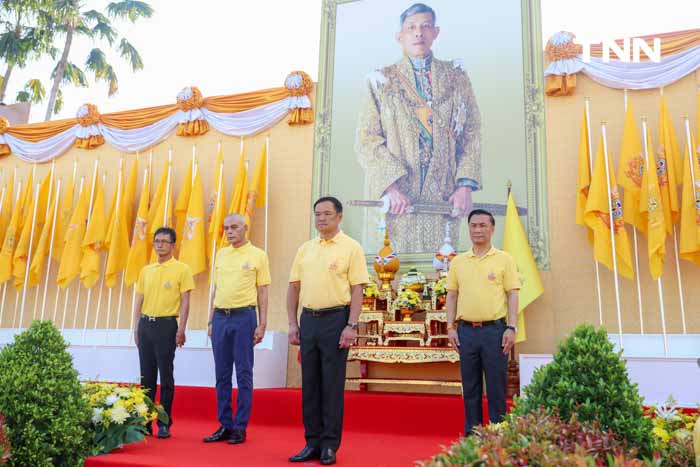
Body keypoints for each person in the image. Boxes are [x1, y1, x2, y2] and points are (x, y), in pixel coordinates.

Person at [355, 2, 482, 254]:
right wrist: (391, 188)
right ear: (399, 36)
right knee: (391, 278)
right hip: (398, 200)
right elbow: (367, 139)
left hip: (443, 197)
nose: (418, 33)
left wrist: (464, 187)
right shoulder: (381, 80)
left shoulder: (456, 77)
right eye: (411, 27)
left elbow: (471, 132)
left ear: (435, 32)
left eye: (425, 26)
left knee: (442, 276)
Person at [287, 196, 369, 466]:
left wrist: (351, 325)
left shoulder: (351, 248)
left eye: (327, 214)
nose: (321, 219)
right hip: (308, 320)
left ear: (340, 216)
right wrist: (292, 324)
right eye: (317, 214)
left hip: (336, 319)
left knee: (331, 385)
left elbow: (358, 289)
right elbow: (294, 287)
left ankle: (330, 445)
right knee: (309, 384)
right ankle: (311, 441)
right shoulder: (305, 249)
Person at [446, 209, 520, 435]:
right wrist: (450, 327)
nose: (478, 230)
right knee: (470, 387)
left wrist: (512, 327)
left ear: (492, 229)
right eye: (473, 226)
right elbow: (452, 295)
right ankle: (474, 435)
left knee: (497, 387)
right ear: (468, 229)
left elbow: (513, 294)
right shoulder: (458, 261)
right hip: (466, 332)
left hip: (495, 331)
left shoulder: (504, 259)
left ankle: (499, 436)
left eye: (483, 225)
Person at [203, 214, 270, 445]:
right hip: (221, 317)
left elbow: (263, 291)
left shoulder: (258, 255)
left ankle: (240, 427)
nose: (229, 232)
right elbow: (215, 289)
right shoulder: (221, 255)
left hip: (244, 317)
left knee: (243, 373)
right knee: (221, 375)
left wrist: (262, 324)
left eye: (234, 227)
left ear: (245, 228)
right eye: (226, 228)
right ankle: (225, 424)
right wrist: (210, 320)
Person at [133, 226, 195, 439]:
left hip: (167, 326)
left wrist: (182, 329)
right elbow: (139, 300)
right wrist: (135, 326)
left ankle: (164, 422)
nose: (159, 244)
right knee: (146, 377)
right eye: (156, 241)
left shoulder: (182, 269)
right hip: (146, 325)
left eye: (164, 241)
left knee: (165, 376)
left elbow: (186, 301)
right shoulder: (146, 270)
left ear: (173, 245)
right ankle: (145, 422)